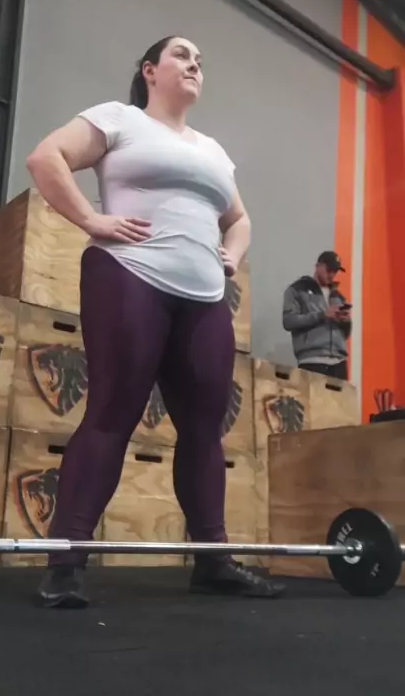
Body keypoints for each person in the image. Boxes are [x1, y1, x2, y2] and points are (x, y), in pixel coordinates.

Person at [26, 35, 284, 608]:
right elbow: (45, 158)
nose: (195, 65)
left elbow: (240, 218)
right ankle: (65, 565)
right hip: (129, 274)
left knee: (205, 430)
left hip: (205, 296)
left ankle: (213, 563)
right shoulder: (119, 120)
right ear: (150, 70)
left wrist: (231, 256)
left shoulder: (213, 150)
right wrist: (92, 220)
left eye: (200, 61)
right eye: (182, 56)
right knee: (111, 414)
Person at [282, 251, 352, 380]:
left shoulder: (338, 296)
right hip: (312, 361)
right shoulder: (297, 290)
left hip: (340, 363)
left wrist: (346, 321)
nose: (332, 275)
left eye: (335, 271)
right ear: (318, 266)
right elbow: (288, 321)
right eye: (329, 270)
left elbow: (346, 334)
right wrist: (322, 315)